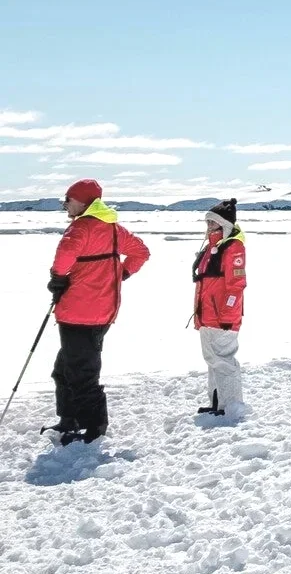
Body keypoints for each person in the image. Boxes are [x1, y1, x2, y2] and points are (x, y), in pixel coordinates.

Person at [45, 179, 150, 445]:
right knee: (66, 368)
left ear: (84, 202)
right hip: (102, 311)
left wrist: (58, 279)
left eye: (68, 199)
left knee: (80, 372)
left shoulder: (80, 228)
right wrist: (121, 274)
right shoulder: (114, 229)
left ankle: (93, 428)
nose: (65, 204)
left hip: (78, 313)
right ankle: (70, 419)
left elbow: (63, 257)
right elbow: (141, 252)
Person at [191, 198, 247, 418]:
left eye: (213, 223)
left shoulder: (233, 248)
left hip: (221, 318)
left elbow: (236, 285)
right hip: (207, 316)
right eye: (207, 223)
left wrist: (227, 313)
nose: (208, 227)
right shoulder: (211, 248)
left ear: (224, 224)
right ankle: (217, 403)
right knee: (213, 360)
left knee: (224, 361)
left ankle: (232, 406)